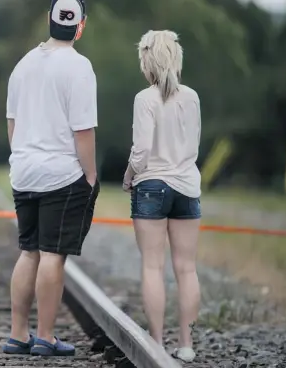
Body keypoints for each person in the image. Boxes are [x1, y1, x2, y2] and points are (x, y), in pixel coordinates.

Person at [2, 0, 100, 357]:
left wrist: (23, 158)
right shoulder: (78, 66)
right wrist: (89, 177)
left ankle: (18, 334)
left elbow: (12, 123)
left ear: (49, 18)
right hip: (60, 174)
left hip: (24, 171)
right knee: (52, 254)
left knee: (28, 252)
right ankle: (45, 335)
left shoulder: (23, 64)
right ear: (81, 26)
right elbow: (83, 131)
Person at [122, 30, 202, 363]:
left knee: (153, 267)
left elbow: (141, 150)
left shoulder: (145, 99)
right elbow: (194, 144)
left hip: (152, 186)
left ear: (147, 61)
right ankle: (186, 344)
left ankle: (155, 342)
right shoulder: (192, 97)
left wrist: (129, 176)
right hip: (186, 186)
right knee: (186, 269)